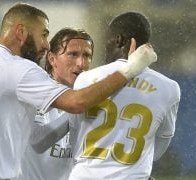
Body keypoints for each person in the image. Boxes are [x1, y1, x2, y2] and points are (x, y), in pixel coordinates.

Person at [0, 3, 157, 180]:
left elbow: (38, 139)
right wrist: (131, 69)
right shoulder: (19, 68)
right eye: (43, 34)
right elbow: (77, 102)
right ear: (20, 32)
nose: (46, 44)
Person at [69, 12, 180, 180]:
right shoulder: (168, 88)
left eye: (107, 40)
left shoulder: (86, 79)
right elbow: (162, 142)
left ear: (118, 40)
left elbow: (74, 135)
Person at [19, 27, 94, 180]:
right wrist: (79, 106)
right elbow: (38, 142)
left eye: (86, 55)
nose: (81, 63)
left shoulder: (92, 105)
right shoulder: (32, 92)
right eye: (72, 54)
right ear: (52, 59)